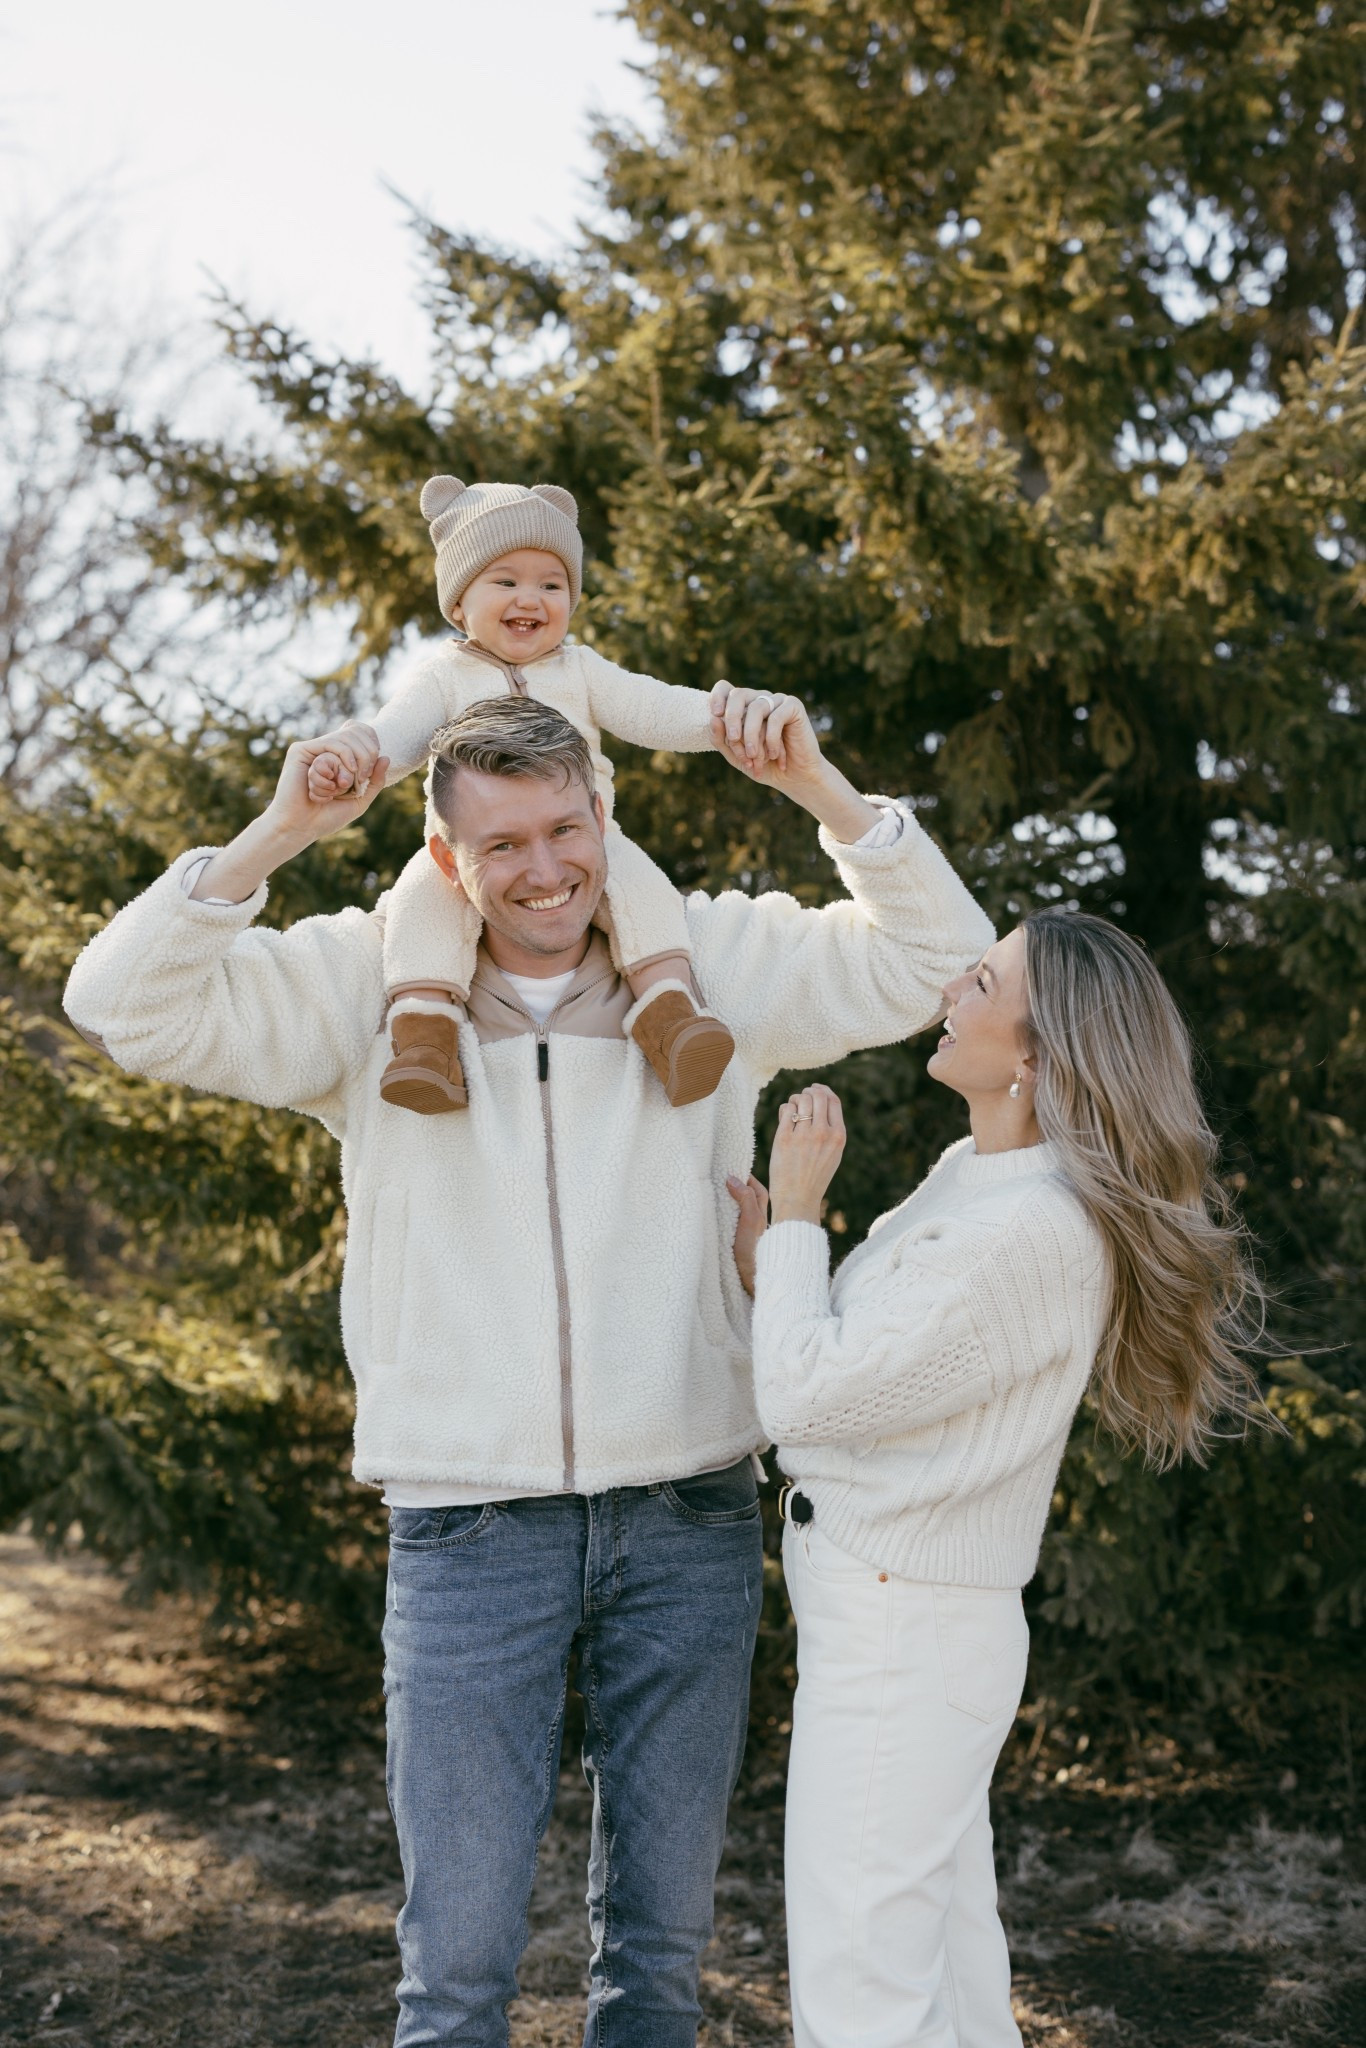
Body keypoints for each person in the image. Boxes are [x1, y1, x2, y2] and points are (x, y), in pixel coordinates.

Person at [64, 680, 994, 2048]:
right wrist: (270, 835)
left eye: (565, 829)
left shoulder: (714, 962)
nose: (543, 868)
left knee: (659, 1969)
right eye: (502, 845)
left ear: (605, 818)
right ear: (448, 857)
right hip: (465, 1527)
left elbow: (938, 960)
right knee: (455, 1976)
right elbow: (117, 1003)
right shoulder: (363, 987)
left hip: (684, 1511)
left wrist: (821, 795)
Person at [729, 909, 1263, 2048]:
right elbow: (865, 1362)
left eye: (979, 982)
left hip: (902, 1635)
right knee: (948, 1970)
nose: (948, 995)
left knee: (862, 1988)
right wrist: (776, 1267)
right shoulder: (979, 1174)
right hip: (898, 1623)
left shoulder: (1029, 1227)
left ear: (1033, 1056)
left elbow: (809, 1400)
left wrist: (797, 1211)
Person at [305, 474, 744, 1115]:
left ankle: (670, 1017)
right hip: (473, 853)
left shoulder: (581, 670)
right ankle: (425, 1037)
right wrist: (351, 754)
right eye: (505, 581)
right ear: (459, 604)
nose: (530, 598)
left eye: (551, 583)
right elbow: (395, 735)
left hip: (582, 839)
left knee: (642, 889)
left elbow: (654, 708)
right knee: (420, 905)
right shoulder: (445, 677)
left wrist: (725, 719)